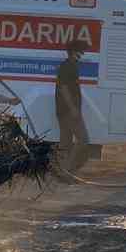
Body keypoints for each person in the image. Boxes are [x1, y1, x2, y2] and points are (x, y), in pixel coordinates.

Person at [55, 40, 90, 175]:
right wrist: (73, 108)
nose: (82, 54)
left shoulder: (69, 65)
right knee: (83, 139)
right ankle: (67, 170)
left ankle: (61, 170)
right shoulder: (68, 66)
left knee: (65, 142)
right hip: (69, 111)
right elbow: (63, 88)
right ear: (75, 52)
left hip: (62, 110)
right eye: (81, 51)